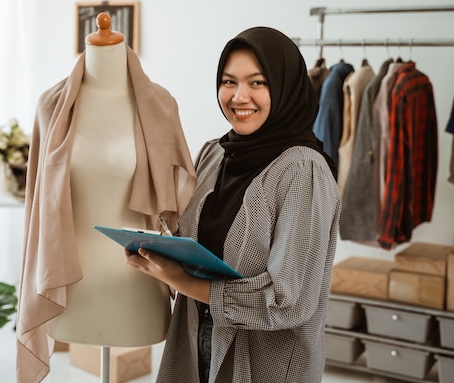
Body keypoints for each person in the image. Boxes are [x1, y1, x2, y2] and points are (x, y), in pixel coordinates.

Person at [125, 26, 340, 383]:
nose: (240, 96)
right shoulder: (214, 153)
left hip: (263, 362)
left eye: (258, 83)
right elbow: (197, 240)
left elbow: (289, 300)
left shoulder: (303, 169)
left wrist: (183, 282)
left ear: (285, 87)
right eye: (229, 82)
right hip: (195, 340)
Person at [16, 13, 196, 383]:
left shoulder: (161, 105)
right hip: (71, 286)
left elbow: (182, 205)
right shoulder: (50, 106)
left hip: (136, 282)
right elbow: (36, 205)